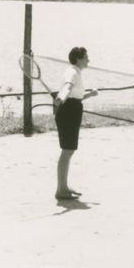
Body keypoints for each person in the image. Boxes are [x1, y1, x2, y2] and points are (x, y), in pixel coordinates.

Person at [53, 46, 98, 199]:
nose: (88, 60)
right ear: (79, 58)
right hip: (68, 112)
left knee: (69, 150)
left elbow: (76, 96)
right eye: (86, 57)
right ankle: (60, 190)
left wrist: (90, 94)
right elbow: (67, 88)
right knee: (67, 150)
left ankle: (64, 186)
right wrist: (61, 97)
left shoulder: (75, 71)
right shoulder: (72, 72)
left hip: (72, 109)